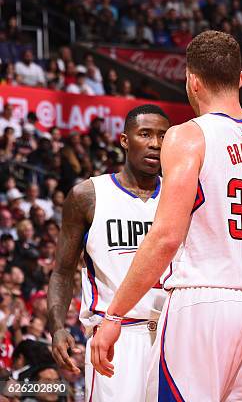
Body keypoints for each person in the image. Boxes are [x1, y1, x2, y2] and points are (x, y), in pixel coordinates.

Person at [90, 31, 242, 401]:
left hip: (202, 301)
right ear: (241, 79)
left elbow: (165, 236)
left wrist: (114, 315)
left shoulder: (188, 136)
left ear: (192, 81)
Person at [47, 104, 170, 402]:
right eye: (145, 134)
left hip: (173, 335)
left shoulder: (180, 196)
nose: (155, 143)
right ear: (125, 140)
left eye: (163, 136)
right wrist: (58, 326)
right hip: (115, 339)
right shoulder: (87, 196)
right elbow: (63, 270)